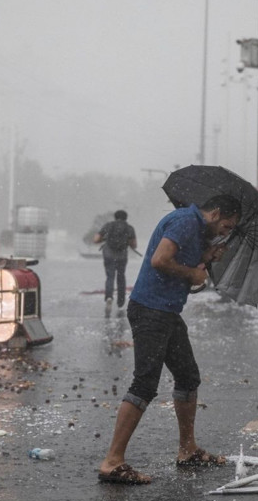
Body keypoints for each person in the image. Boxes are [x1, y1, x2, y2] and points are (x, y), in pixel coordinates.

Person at [98, 194, 241, 485]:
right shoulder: (185, 222)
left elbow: (179, 258)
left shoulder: (195, 229)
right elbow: (160, 259)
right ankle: (112, 461)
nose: (225, 232)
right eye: (226, 226)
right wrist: (192, 273)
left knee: (188, 377)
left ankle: (187, 450)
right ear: (214, 213)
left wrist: (206, 257)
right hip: (151, 310)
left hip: (167, 311)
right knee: (145, 384)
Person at [93, 210, 137, 312]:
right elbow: (134, 245)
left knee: (110, 276)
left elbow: (96, 240)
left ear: (115, 217)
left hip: (108, 254)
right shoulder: (129, 228)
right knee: (121, 276)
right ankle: (120, 301)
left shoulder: (108, 225)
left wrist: (105, 239)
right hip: (122, 256)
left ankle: (109, 297)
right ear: (126, 218)